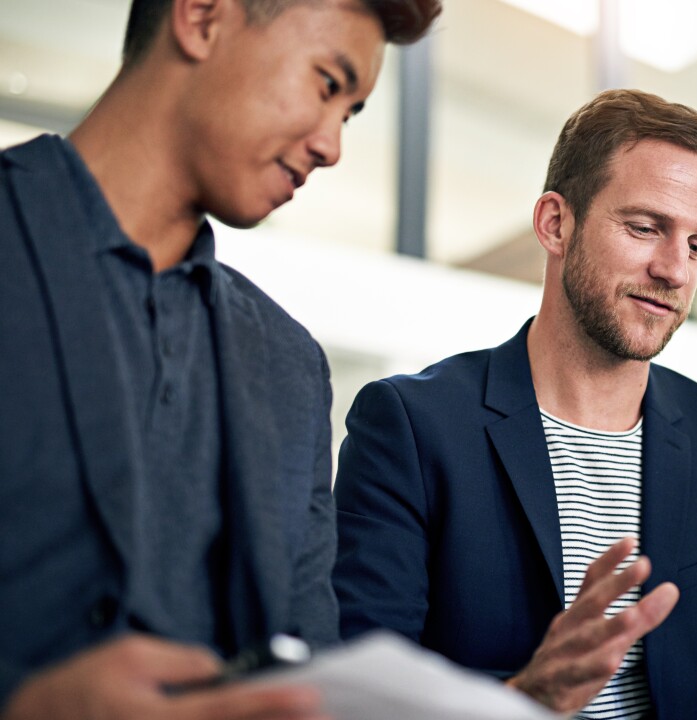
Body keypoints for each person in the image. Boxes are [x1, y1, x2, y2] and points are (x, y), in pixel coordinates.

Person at [0, 0, 440, 717]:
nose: (332, 146)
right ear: (202, 17)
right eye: (329, 84)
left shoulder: (291, 366)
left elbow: (310, 663)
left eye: (351, 114)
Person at [331, 89, 697, 719]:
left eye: (696, 244)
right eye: (645, 227)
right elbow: (362, 704)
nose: (675, 270)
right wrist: (527, 699)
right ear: (555, 223)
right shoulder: (411, 426)